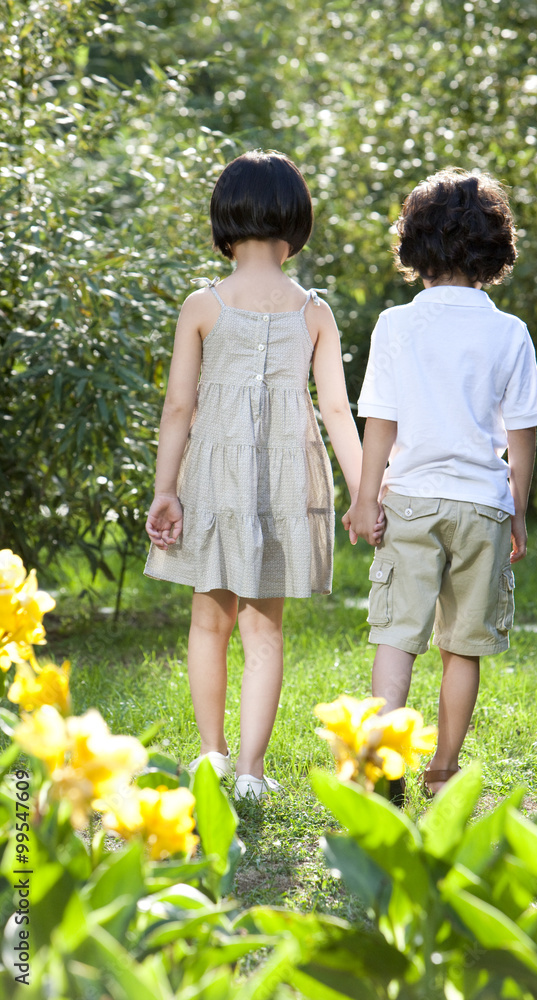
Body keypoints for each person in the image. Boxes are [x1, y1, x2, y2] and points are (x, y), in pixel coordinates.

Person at [145, 150, 382, 800]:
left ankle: (212, 757)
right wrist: (365, 492)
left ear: (224, 218)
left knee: (206, 622)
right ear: (295, 223)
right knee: (264, 629)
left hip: (213, 477)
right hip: (285, 480)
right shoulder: (314, 311)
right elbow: (336, 408)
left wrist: (166, 489)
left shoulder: (203, 304)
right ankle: (250, 771)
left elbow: (178, 407)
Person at [345, 167, 537, 798]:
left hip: (409, 501)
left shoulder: (395, 325)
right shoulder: (508, 332)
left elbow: (380, 424)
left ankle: (383, 767)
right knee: (463, 648)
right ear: (495, 247)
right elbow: (522, 435)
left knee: (397, 638)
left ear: (414, 244)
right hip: (482, 507)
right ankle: (442, 771)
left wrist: (363, 499)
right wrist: (517, 511)